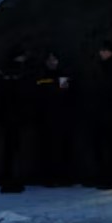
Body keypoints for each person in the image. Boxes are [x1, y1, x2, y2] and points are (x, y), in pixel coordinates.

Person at [87, 39, 112, 189]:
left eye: (104, 51)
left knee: (108, 145)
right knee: (106, 145)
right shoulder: (110, 66)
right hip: (106, 111)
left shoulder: (111, 68)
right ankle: (107, 176)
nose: (102, 53)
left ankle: (108, 177)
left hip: (109, 111)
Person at [32, 50, 74, 186]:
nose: (52, 62)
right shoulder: (41, 75)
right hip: (45, 117)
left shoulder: (63, 75)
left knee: (62, 147)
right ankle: (48, 176)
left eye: (54, 59)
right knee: (46, 148)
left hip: (61, 117)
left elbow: (65, 93)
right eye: (49, 60)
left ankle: (63, 176)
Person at [0, 44, 34, 194]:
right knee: (15, 149)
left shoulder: (4, 72)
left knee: (9, 149)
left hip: (8, 115)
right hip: (15, 114)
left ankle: (9, 180)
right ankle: (13, 180)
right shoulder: (19, 72)